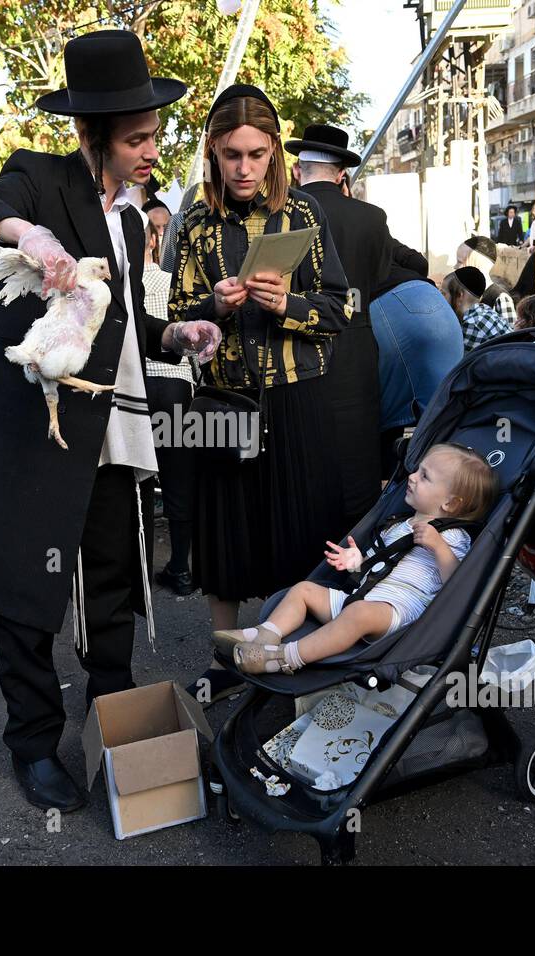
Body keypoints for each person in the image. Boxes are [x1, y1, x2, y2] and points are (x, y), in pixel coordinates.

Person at [0, 30, 220, 812]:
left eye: (156, 135)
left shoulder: (131, 221)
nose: (152, 150)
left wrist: (175, 335)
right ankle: (32, 742)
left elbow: (121, 319)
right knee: (30, 591)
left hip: (114, 429)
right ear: (91, 136)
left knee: (112, 580)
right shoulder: (38, 179)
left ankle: (113, 709)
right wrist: (25, 234)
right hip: (40, 434)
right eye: (137, 139)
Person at [168, 83, 353, 704]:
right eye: (230, 155)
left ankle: (297, 657)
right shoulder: (193, 222)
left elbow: (341, 307)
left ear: (274, 151)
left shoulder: (304, 215)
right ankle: (227, 664)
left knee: (304, 535)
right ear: (213, 154)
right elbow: (172, 321)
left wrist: (290, 305)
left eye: (255, 153)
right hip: (223, 405)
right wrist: (210, 308)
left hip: (299, 402)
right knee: (223, 540)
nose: (244, 168)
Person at [213, 444, 495, 675]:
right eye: (417, 469)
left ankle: (286, 658)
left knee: (358, 615)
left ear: (450, 504)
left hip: (395, 613)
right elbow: (380, 565)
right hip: (359, 598)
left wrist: (438, 547)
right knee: (303, 590)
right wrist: (356, 561)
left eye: (424, 476)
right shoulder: (400, 524)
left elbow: (458, 584)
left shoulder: (454, 537)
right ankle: (264, 636)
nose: (411, 476)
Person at [284, 123, 389, 529]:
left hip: (298, 342)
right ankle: (355, 556)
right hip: (357, 347)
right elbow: (378, 277)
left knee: (305, 447)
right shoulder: (371, 217)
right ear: (342, 173)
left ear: (299, 168)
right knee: (358, 451)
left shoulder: (284, 213)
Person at [370, 239, 463, 479]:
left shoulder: (337, 234)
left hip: (385, 307)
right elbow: (419, 263)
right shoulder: (382, 236)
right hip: (434, 304)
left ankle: (391, 492)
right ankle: (452, 491)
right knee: (445, 418)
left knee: (382, 417)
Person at [140, 219, 197, 596]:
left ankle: (138, 569)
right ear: (156, 240)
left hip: (136, 388)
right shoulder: (173, 281)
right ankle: (180, 568)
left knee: (139, 480)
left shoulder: (117, 288)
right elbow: (192, 341)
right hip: (177, 386)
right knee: (179, 480)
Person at [441, 266, 510, 351]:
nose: (440, 298)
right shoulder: (483, 310)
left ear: (460, 295)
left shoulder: (472, 324)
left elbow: (461, 362)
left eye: (443, 293)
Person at [456, 235, 515, 328]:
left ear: (476, 263)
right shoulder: (461, 294)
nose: (455, 267)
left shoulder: (500, 298)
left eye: (460, 262)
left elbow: (510, 337)